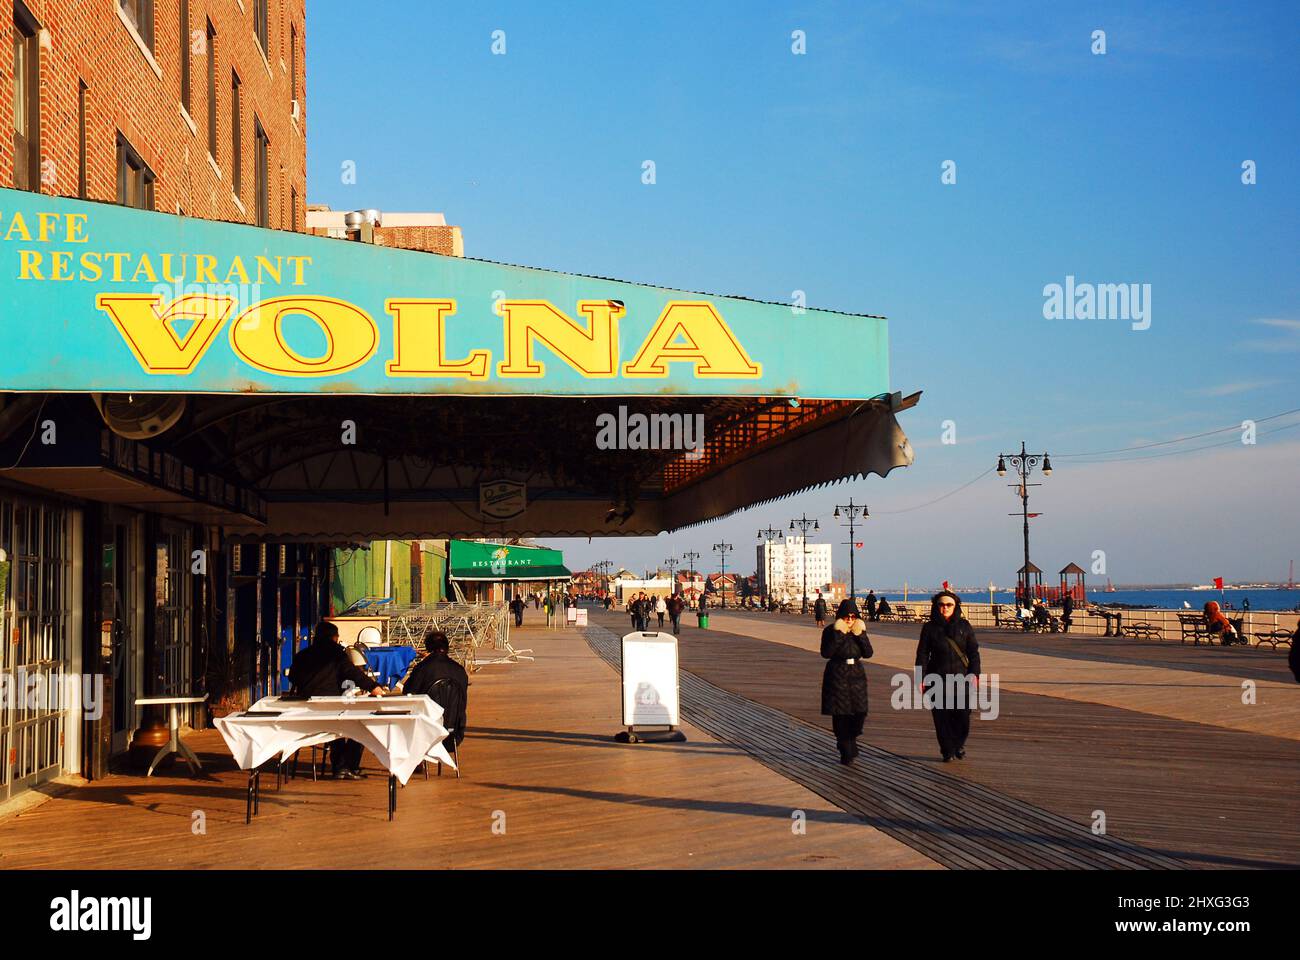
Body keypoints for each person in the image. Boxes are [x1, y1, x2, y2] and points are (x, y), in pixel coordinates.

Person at [288, 620, 387, 779]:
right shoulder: (336, 654)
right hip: (331, 710)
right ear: (334, 637)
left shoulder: (302, 655)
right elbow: (353, 673)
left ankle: (343, 766)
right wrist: (374, 687)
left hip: (306, 714)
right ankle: (345, 766)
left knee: (341, 724)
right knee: (361, 726)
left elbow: (293, 677)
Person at [914, 591, 981, 762]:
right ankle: (947, 749)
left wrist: (974, 674)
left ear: (955, 606)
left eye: (949, 605)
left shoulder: (964, 626)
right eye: (941, 605)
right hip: (937, 678)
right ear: (936, 607)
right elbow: (922, 654)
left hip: (962, 679)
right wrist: (920, 678)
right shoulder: (929, 628)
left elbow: (973, 653)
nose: (945, 608)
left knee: (962, 716)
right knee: (941, 717)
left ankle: (958, 743)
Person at [820, 598, 873, 764]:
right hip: (837, 674)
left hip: (856, 674)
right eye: (846, 617)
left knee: (859, 714)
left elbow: (868, 653)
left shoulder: (859, 630)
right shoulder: (830, 631)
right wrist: (839, 633)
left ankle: (851, 740)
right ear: (840, 616)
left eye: (852, 616)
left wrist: (860, 635)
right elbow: (826, 653)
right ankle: (845, 749)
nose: (849, 620)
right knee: (841, 714)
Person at [402, 630, 469, 753]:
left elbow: (408, 692)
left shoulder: (423, 668)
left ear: (427, 648)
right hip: (454, 731)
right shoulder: (459, 670)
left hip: (425, 731)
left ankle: (413, 760)